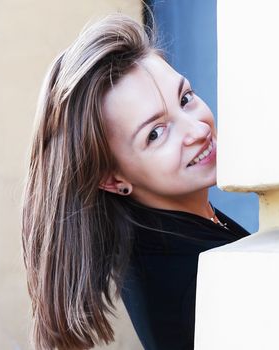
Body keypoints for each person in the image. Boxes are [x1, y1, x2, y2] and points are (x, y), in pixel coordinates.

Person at [21, 13, 249, 350]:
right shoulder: (196, 274)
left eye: (185, 99)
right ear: (113, 180)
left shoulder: (161, 233)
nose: (198, 130)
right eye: (155, 134)